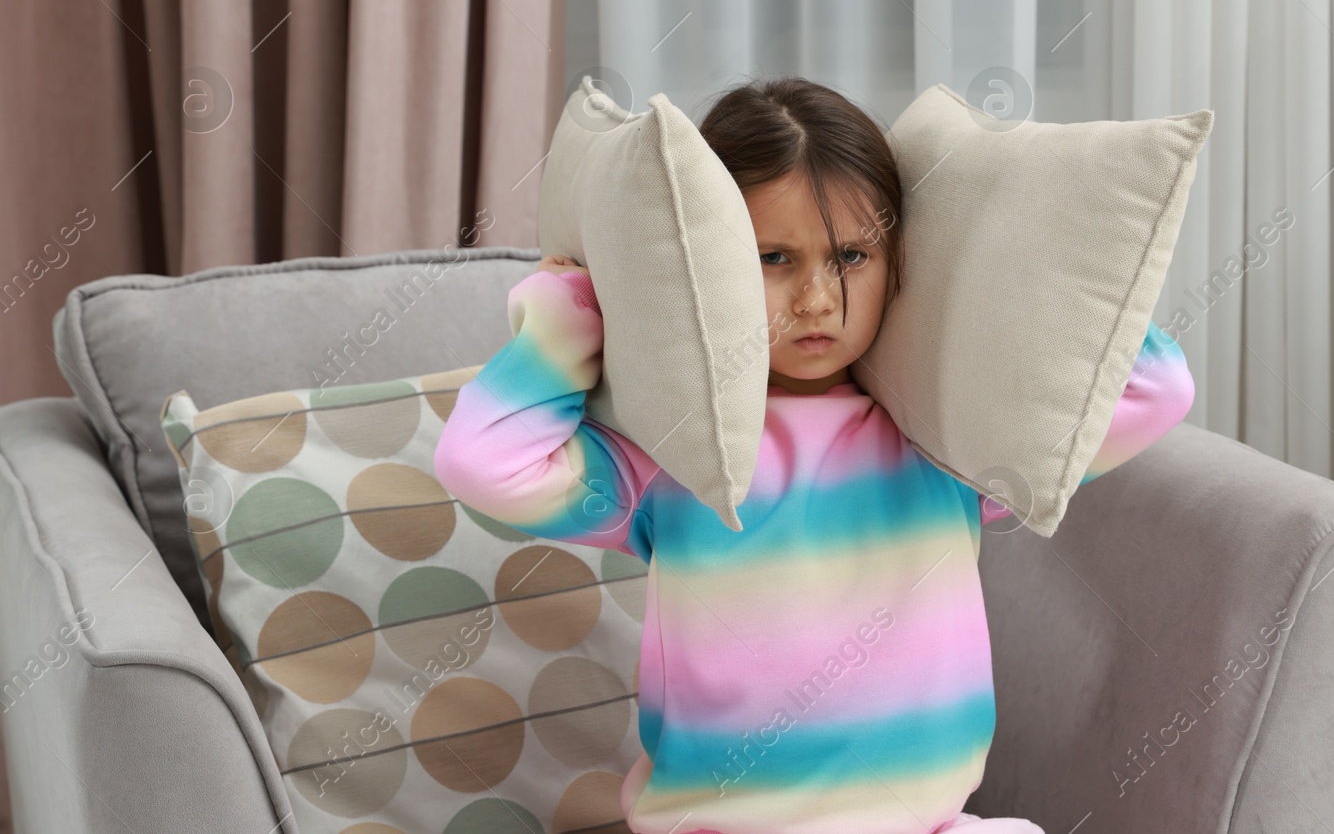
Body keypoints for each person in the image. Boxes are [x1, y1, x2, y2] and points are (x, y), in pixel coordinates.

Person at [433, 76, 1196, 834]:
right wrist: (567, 319)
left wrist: (1005, 279)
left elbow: (1156, 387)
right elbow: (483, 461)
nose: (817, 298)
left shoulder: (946, 444)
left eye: (852, 256)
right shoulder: (678, 460)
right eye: (774, 257)